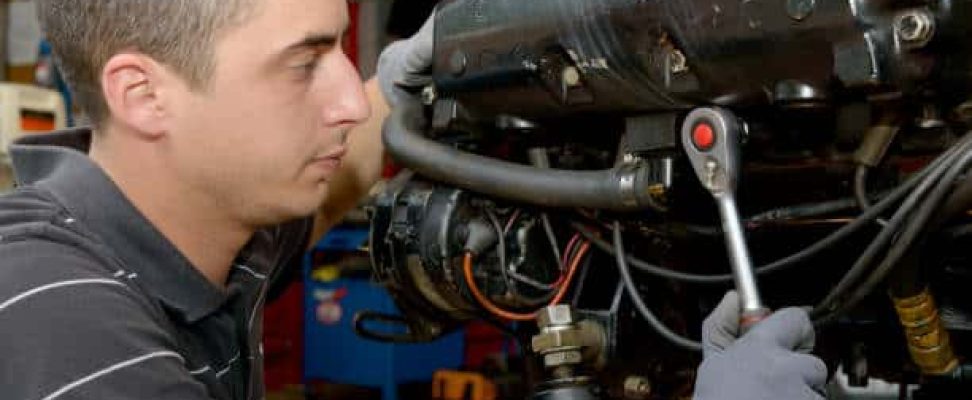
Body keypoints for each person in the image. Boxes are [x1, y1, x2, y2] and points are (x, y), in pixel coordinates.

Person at [0, 1, 824, 399]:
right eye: (304, 60)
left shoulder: (199, 242)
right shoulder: (53, 317)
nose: (349, 102)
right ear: (145, 96)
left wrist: (423, 69)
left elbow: (356, 153)